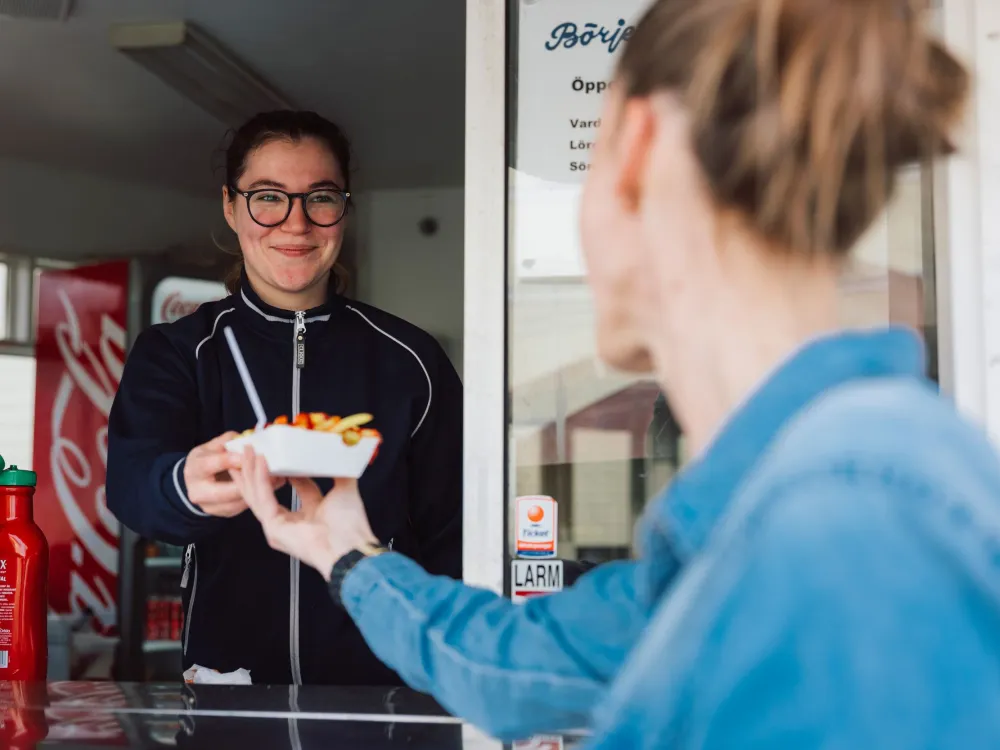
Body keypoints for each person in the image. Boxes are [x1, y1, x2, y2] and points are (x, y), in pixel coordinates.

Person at [237, 0, 993, 746]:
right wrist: (344, 552)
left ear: (637, 148)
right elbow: (508, 664)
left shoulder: (851, 517)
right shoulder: (763, 514)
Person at [106, 110, 463, 686]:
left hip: (385, 702)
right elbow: (132, 486)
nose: (296, 224)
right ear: (231, 205)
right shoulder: (179, 353)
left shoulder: (411, 361)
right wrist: (185, 486)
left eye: (320, 197)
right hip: (231, 691)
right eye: (268, 198)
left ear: (344, 208)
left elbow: (456, 537)